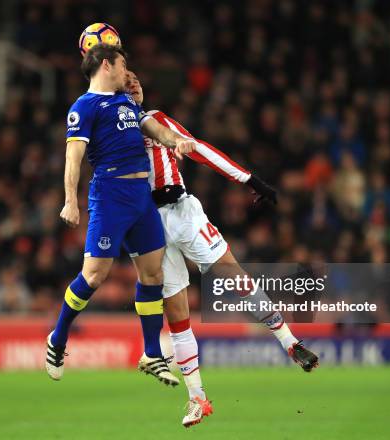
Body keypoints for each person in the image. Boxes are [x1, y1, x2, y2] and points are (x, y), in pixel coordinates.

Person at [125, 71, 319, 427]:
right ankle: (197, 399)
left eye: (135, 78)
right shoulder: (110, 133)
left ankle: (290, 341)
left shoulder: (152, 119)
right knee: (177, 312)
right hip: (147, 224)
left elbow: (197, 148)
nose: (134, 83)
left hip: (181, 211)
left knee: (234, 278)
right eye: (125, 81)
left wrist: (248, 178)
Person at [46, 45, 197, 386]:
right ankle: (57, 338)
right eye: (123, 64)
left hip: (141, 196)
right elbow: (73, 157)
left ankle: (151, 354)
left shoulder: (126, 101)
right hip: (110, 195)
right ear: (105, 65)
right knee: (95, 276)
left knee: (153, 275)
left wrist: (175, 141)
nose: (127, 71)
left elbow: (153, 128)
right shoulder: (84, 107)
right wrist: (71, 200)